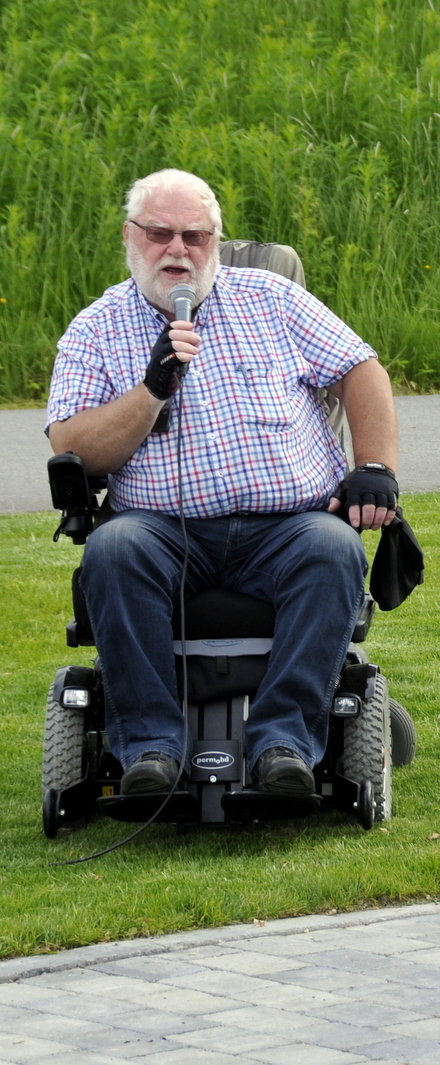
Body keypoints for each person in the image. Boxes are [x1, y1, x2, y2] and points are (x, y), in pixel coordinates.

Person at [45, 169, 399, 797]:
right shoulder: (95, 328)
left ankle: (283, 743)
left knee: (334, 549)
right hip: (160, 533)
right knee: (113, 550)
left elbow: (361, 369)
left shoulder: (273, 299)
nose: (177, 249)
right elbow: (72, 445)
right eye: (159, 233)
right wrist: (152, 388)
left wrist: (374, 466)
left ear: (215, 241)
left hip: (287, 526)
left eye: (195, 236)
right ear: (131, 237)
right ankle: (151, 749)